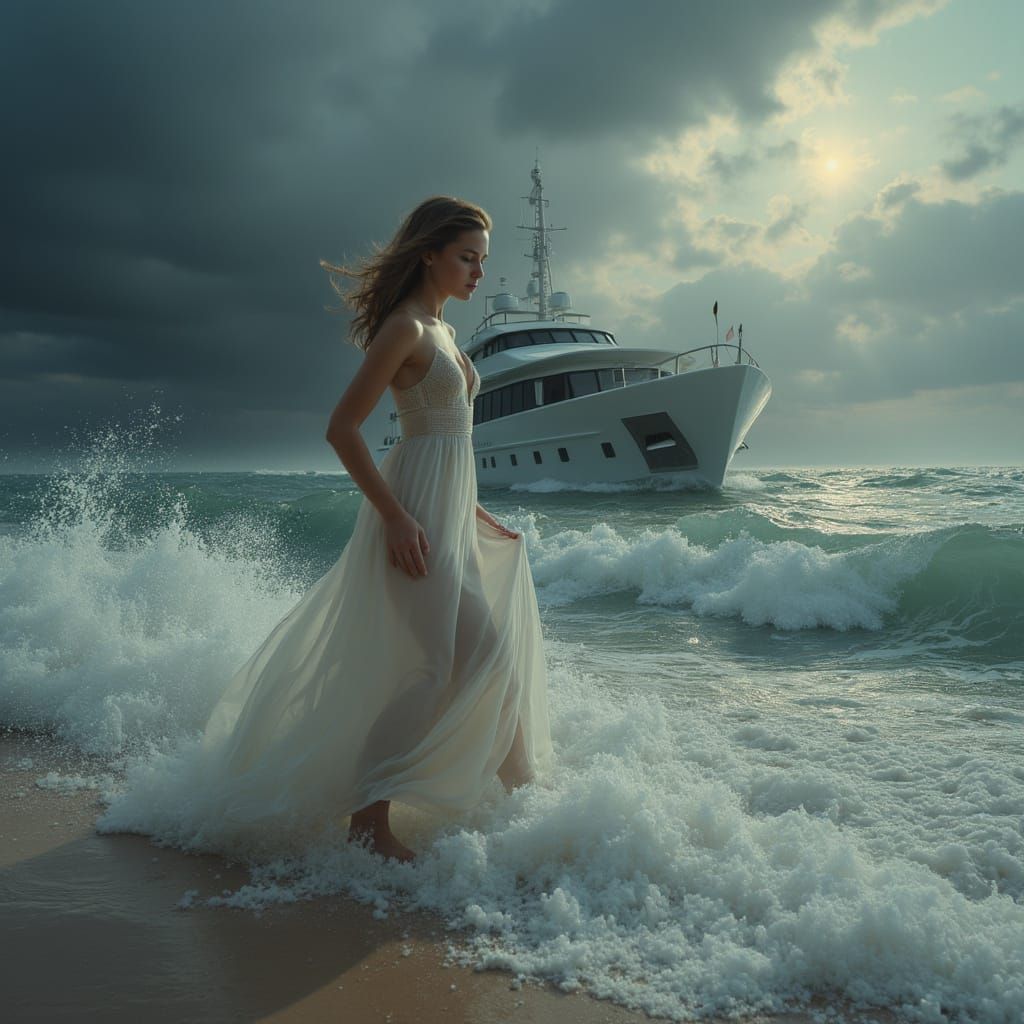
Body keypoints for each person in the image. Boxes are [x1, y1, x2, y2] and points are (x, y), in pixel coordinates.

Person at [191, 196, 554, 865]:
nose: (478, 272)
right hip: (412, 528)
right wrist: (395, 517)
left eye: (482, 260)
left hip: (446, 524)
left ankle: (524, 796)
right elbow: (342, 429)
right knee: (434, 669)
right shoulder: (407, 330)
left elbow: (448, 446)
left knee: (491, 662)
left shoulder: (445, 333)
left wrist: (476, 516)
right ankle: (368, 822)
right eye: (467, 257)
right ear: (429, 255)